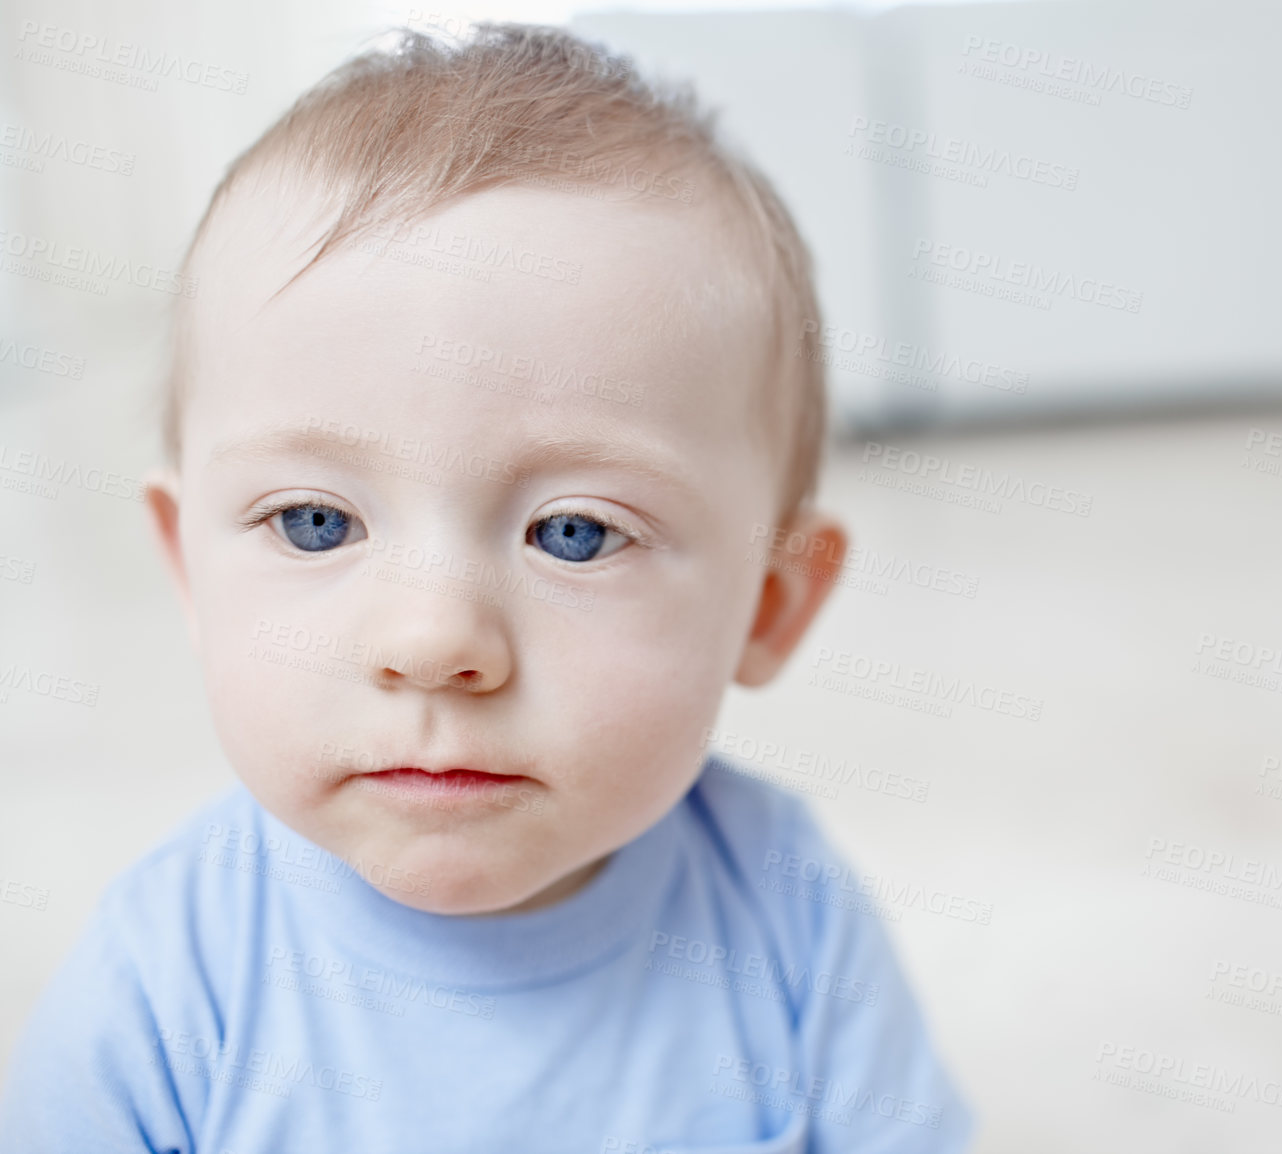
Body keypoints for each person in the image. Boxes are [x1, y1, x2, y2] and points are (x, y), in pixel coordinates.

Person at [0, 22, 971, 1153]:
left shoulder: (780, 905)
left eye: (572, 532)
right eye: (317, 522)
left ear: (768, 604)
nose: (432, 639)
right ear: (188, 568)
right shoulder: (167, 982)